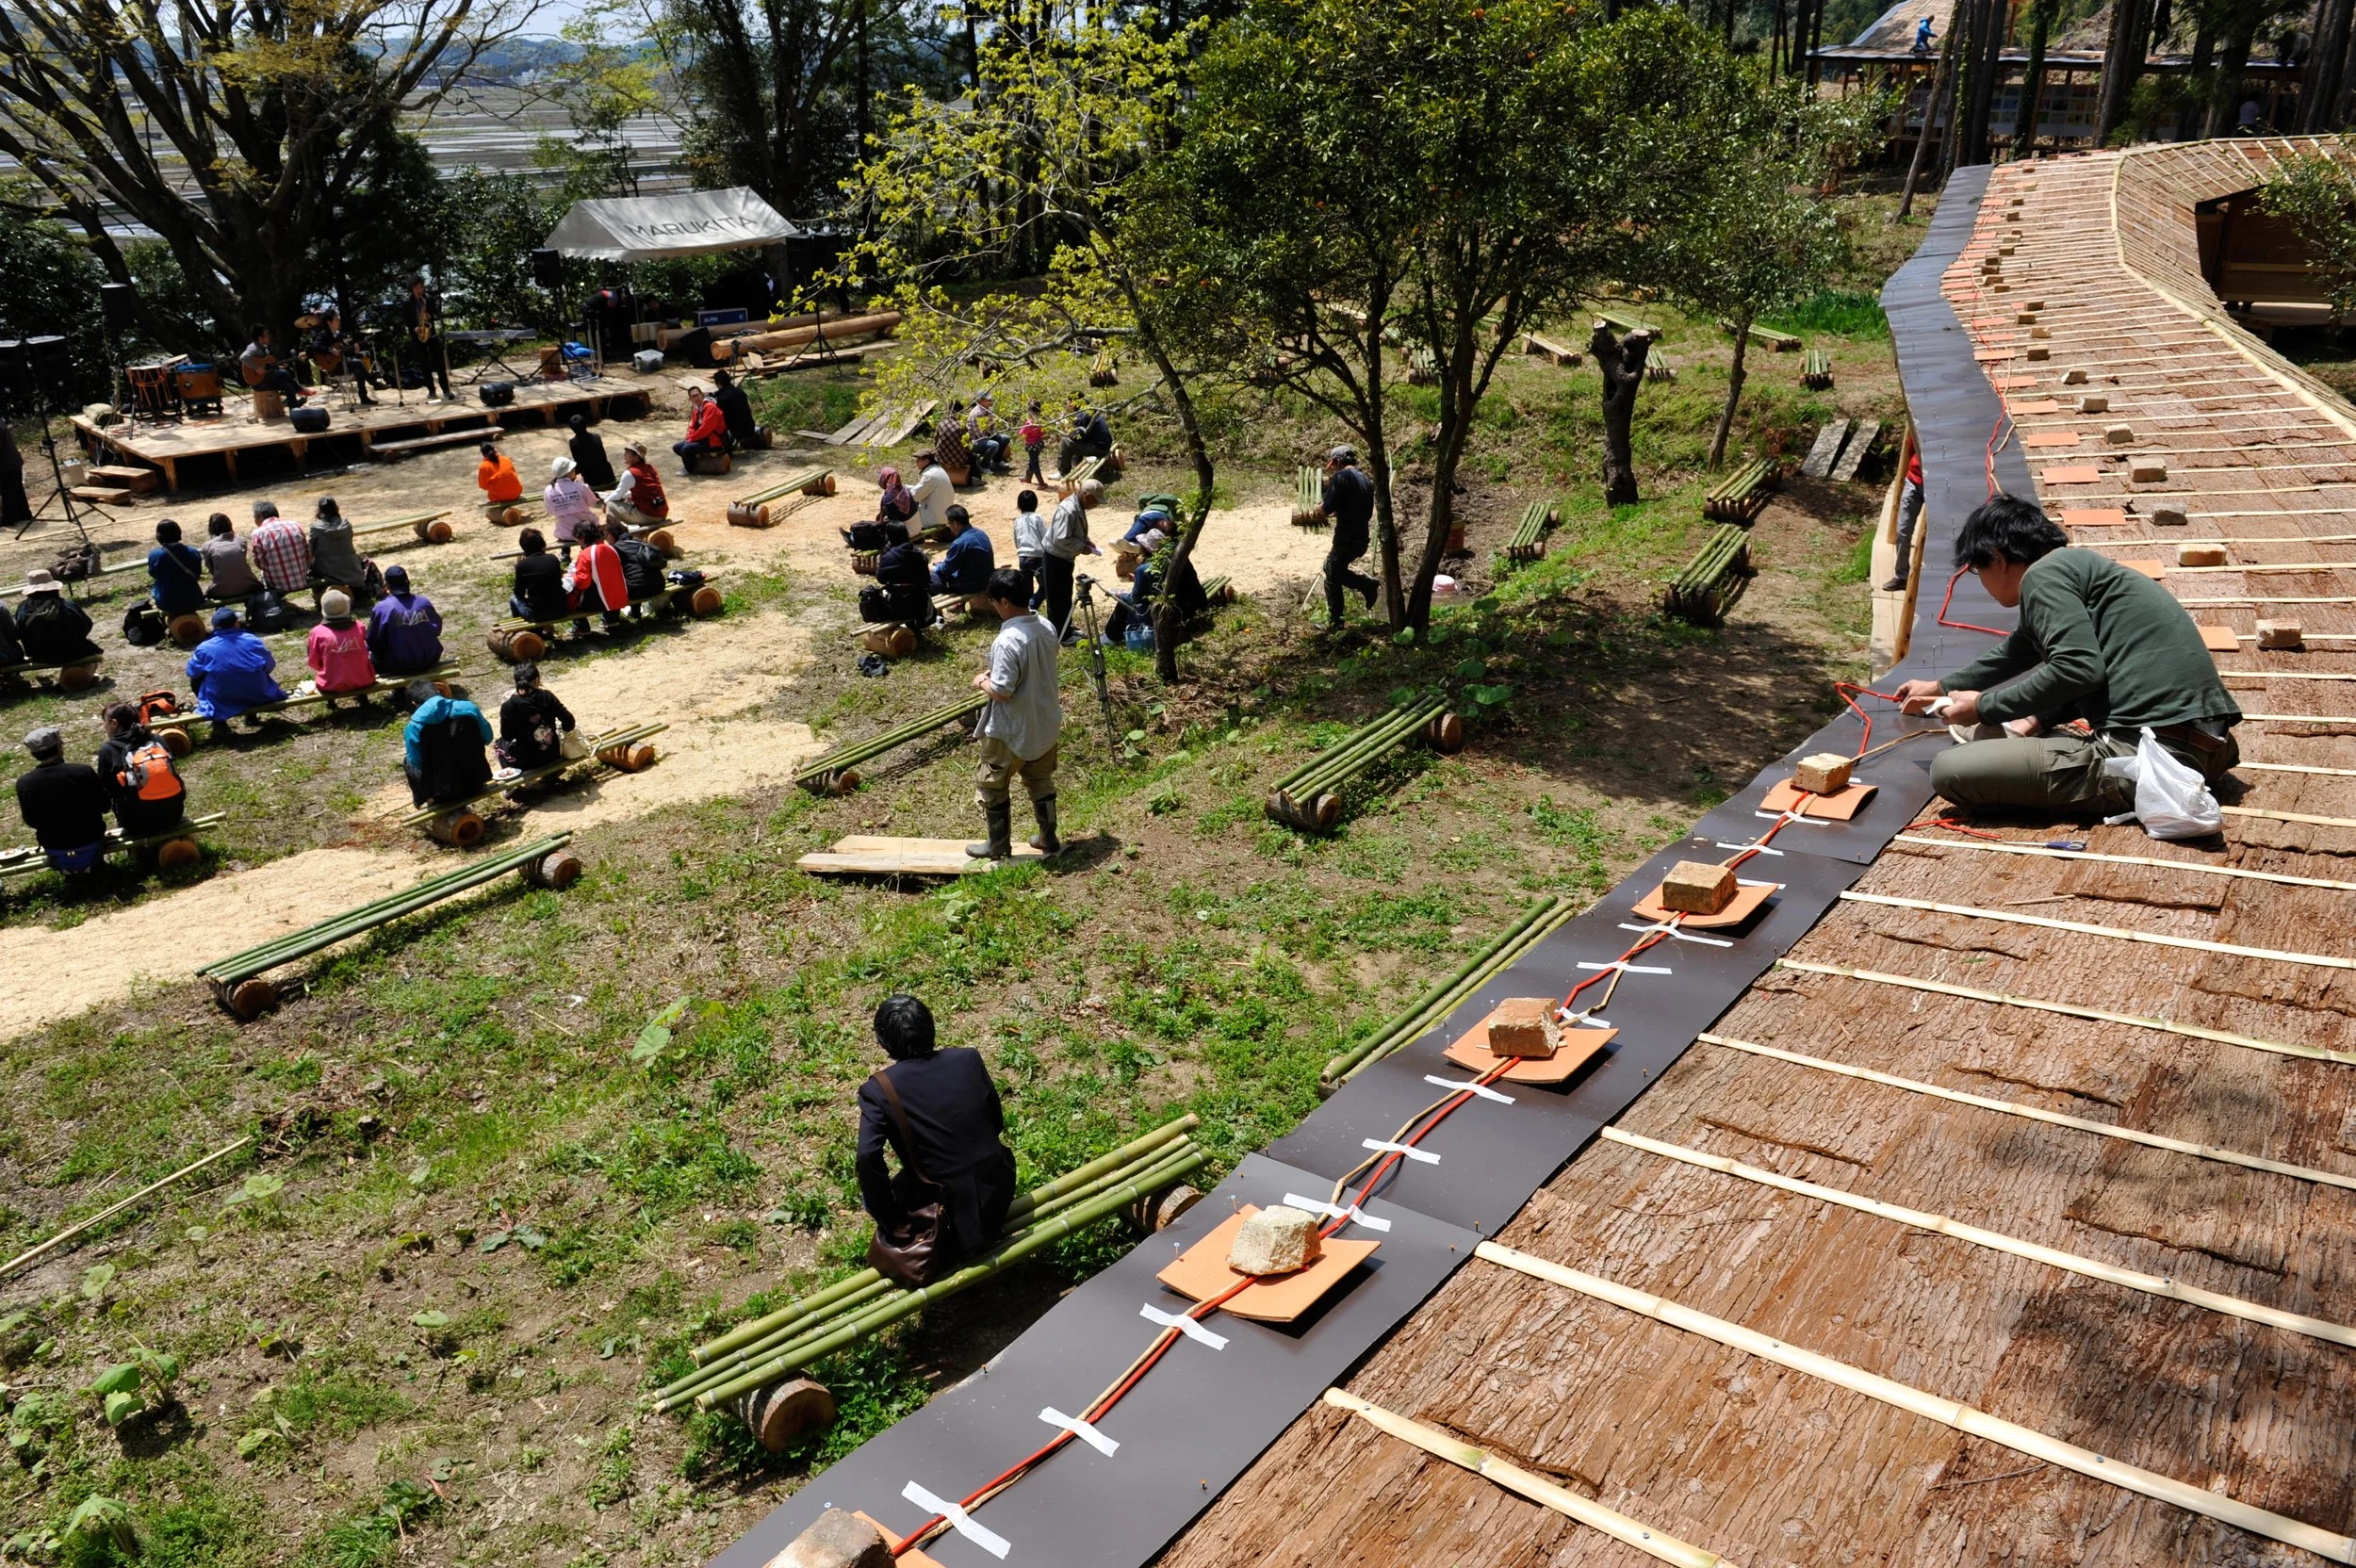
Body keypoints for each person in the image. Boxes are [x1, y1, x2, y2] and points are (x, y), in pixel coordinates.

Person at [1894, 494, 2243, 816]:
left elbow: (2078, 670)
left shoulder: (2042, 577)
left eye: (1978, 569)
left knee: (1951, 770)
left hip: (2156, 759)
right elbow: (2020, 650)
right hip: (2210, 746)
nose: (1981, 582)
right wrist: (1943, 686)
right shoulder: (2077, 568)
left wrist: (1984, 707)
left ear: (1998, 559)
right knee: (2012, 741)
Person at [855, 993, 1019, 1270]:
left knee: (876, 1194)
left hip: (947, 1213)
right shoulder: (968, 1059)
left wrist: (891, 1217)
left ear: (882, 1043)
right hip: (998, 1189)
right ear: (930, 1028)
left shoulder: (879, 1089)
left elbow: (867, 1156)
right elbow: (996, 1122)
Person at [968, 565, 1064, 858]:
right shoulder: (1046, 626)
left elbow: (1003, 691)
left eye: (995, 602)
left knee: (992, 783)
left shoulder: (1006, 641)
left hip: (1011, 728)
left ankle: (997, 845)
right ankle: (1048, 838)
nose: (995, 607)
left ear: (1005, 602)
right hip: (1044, 721)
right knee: (1040, 780)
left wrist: (983, 681)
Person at [14, 727, 108, 875]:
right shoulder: (83, 772)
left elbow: (30, 821)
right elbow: (105, 805)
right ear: (59, 747)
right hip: (91, 838)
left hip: (54, 844)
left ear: (33, 753)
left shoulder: (24, 783)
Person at [95, 703, 187, 841]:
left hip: (137, 823)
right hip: (174, 813)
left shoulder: (108, 750)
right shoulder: (156, 739)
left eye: (105, 723)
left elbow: (106, 793)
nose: (105, 728)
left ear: (114, 723)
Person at [1105, 530, 1208, 645]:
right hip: (1186, 610)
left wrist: (1120, 595)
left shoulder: (1143, 570)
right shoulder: (1179, 561)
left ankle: (1110, 637)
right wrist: (1137, 579)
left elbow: (1136, 600)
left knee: (1122, 601)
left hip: (1164, 616)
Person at [186, 606, 285, 724]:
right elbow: (270, 664)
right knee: (253, 673)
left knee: (197, 680)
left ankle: (219, 721)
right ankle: (251, 716)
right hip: (259, 694)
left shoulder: (204, 648)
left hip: (223, 698)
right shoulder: (252, 640)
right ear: (235, 623)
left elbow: (192, 672)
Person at [402, 678, 493, 807]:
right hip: (476, 782)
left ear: (414, 703)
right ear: (437, 691)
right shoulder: (469, 708)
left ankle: (423, 800)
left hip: (442, 794)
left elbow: (417, 762)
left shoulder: (413, 727)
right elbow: (488, 738)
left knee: (408, 761)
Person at [1319, 446, 1380, 629]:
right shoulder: (1366, 480)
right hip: (1361, 537)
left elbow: (1327, 508)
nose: (1334, 469)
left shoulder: (1340, 478)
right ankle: (1365, 586)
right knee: (1332, 569)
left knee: (1331, 572)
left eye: (1334, 465)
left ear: (1337, 461)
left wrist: (1319, 509)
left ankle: (1336, 623)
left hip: (1346, 537)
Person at [1040, 478, 1104, 641]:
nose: (1096, 505)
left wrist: (1086, 540)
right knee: (1057, 598)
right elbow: (1062, 539)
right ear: (1087, 496)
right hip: (1055, 558)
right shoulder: (1068, 510)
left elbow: (1076, 529)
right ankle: (1061, 635)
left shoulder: (1078, 506)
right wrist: (1082, 548)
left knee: (1065, 594)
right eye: (1095, 502)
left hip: (1065, 558)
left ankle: (1066, 627)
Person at [496, 661, 576, 773]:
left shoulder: (508, 706)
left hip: (527, 762)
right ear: (537, 680)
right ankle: (554, 772)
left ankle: (511, 783)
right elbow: (569, 721)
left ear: (516, 682)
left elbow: (507, 736)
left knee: (498, 745)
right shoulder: (547, 696)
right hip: (553, 754)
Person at [368, 564, 445, 676]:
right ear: (408, 582)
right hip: (430, 659)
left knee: (370, 656)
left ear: (387, 586)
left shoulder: (382, 608)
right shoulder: (423, 602)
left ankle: (400, 689)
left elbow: (373, 642)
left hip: (400, 665)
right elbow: (437, 629)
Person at [15, 570, 101, 665]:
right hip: (75, 652)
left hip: (40, 656)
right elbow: (87, 624)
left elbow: (20, 632)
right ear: (54, 588)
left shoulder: (22, 609)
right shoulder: (67, 606)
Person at [305, 589, 377, 696]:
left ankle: (331, 703)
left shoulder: (317, 632)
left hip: (330, 685)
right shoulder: (359, 627)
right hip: (363, 679)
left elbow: (313, 662)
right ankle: (363, 697)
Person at [246, 501, 313, 608]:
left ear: (260, 516)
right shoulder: (295, 525)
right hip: (302, 578)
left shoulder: (258, 533)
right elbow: (307, 553)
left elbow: (260, 564)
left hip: (277, 583)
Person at [308, 497, 370, 601]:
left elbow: (310, 551)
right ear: (336, 508)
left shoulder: (316, 528)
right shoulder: (346, 524)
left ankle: (319, 595)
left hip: (327, 569)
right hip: (351, 567)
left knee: (313, 569)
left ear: (320, 510)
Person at [403, 277, 454, 402]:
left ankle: (446, 390)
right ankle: (431, 391)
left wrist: (430, 316)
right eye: (417, 288)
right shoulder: (407, 303)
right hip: (418, 337)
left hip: (431, 335)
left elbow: (436, 314)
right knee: (424, 365)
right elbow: (406, 320)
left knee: (440, 364)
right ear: (412, 289)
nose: (420, 290)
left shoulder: (428, 300)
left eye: (421, 287)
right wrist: (415, 328)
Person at [1884, 445, 1926, 591]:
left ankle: (1929, 577)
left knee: (1935, 532)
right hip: (1914, 479)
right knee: (1903, 530)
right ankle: (1901, 576)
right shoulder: (1919, 425)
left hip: (1936, 483)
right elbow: (1911, 447)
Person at [570, 523, 629, 628]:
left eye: (577, 539)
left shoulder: (586, 554)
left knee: (570, 594)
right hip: (620, 598)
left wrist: (573, 576)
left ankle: (581, 627)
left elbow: (582, 583)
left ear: (582, 538)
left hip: (597, 603)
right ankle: (611, 619)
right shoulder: (612, 549)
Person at [146, 519, 206, 620]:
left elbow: (153, 574)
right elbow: (197, 573)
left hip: (167, 601)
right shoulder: (193, 552)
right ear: (179, 533)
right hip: (194, 598)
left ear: (159, 536)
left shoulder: (155, 555)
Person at [875, 532, 937, 629]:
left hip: (897, 608)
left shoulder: (888, 556)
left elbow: (881, 579)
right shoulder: (918, 553)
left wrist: (883, 555)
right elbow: (926, 578)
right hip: (920, 604)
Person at [930, 505, 995, 596]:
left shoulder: (959, 543)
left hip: (970, 586)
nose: (949, 527)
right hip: (986, 580)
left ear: (956, 524)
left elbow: (946, 570)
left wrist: (932, 568)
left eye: (949, 524)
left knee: (930, 577)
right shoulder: (981, 533)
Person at [201, 514, 262, 608]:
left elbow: (212, 569)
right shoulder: (241, 541)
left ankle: (222, 616)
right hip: (248, 586)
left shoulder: (207, 546)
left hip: (220, 590)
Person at [510, 529, 572, 621]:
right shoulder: (553, 559)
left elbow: (519, 593)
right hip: (561, 610)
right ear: (542, 544)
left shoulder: (522, 565)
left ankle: (529, 632)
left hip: (537, 614)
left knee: (513, 599)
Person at [605, 440, 669, 530]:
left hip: (649, 516)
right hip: (662, 513)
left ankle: (616, 533)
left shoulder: (630, 473)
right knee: (628, 499)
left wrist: (605, 501)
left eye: (627, 453)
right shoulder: (650, 468)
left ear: (636, 456)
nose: (624, 455)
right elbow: (644, 490)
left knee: (610, 505)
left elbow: (617, 494)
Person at [238, 325, 306, 407]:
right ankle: (300, 390)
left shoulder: (265, 349)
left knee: (287, 386)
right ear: (260, 338)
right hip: (258, 383)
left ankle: (294, 407)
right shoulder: (254, 347)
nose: (269, 337)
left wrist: (279, 367)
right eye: (266, 335)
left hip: (266, 380)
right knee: (283, 373)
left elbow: (268, 367)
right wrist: (256, 368)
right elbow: (243, 357)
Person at [543, 457, 602, 546]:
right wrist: (582, 485)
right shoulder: (579, 487)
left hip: (565, 532)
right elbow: (593, 502)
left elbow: (550, 510)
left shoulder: (548, 490)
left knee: (562, 523)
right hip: (587, 529)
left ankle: (565, 554)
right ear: (569, 472)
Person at [675, 385, 728, 473]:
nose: (696, 398)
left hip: (714, 440)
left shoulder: (710, 407)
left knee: (685, 449)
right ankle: (695, 464)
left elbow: (706, 428)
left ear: (702, 395)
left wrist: (692, 439)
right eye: (693, 396)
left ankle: (690, 470)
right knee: (677, 447)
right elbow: (692, 426)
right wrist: (689, 437)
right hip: (701, 439)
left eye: (697, 395)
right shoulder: (697, 409)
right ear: (690, 399)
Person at [612, 521, 667, 606]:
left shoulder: (616, 548)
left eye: (607, 535)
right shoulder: (640, 542)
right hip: (659, 586)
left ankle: (610, 619)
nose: (606, 538)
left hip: (636, 591)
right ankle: (636, 614)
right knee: (634, 577)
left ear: (613, 535)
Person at [1011, 488, 1047, 608]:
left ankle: (1026, 610)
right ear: (1035, 504)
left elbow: (1016, 540)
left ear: (1019, 505)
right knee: (1045, 587)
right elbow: (1045, 537)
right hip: (1036, 557)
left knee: (1027, 590)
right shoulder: (1037, 518)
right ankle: (1032, 606)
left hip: (1022, 557)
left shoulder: (1017, 521)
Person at [1056, 401, 1112, 478]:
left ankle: (1063, 473)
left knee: (1065, 441)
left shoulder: (1082, 415)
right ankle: (1075, 468)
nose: (1068, 404)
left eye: (1069, 402)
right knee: (1075, 442)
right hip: (1104, 446)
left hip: (1098, 449)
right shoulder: (1090, 411)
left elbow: (1077, 436)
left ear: (1074, 402)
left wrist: (1064, 423)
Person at [568, 414, 617, 491]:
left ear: (572, 428)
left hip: (590, 482)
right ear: (585, 424)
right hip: (608, 478)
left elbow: (578, 462)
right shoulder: (597, 437)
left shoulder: (573, 443)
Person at [711, 368, 758, 449]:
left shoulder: (722, 399)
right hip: (750, 427)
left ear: (719, 384)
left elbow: (720, 418)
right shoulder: (740, 391)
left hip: (736, 432)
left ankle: (725, 448)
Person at [910, 449, 954, 535]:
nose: (917, 462)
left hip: (934, 519)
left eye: (919, 459)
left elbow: (915, 496)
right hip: (944, 515)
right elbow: (922, 489)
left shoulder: (930, 475)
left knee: (904, 502)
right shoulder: (938, 470)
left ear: (927, 461)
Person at [967, 392, 1009, 472]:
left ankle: (997, 462)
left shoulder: (988, 410)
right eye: (988, 400)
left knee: (1005, 438)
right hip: (976, 441)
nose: (990, 401)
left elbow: (992, 427)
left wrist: (994, 430)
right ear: (981, 400)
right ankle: (984, 466)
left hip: (987, 435)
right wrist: (992, 433)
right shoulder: (976, 413)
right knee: (994, 444)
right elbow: (980, 434)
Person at [0, 418, 30, 528]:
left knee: (8, 492)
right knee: (16, 490)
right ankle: (24, 514)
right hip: (12, 461)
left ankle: (9, 519)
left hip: (6, 464)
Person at [478, 443, 524, 512]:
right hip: (516, 493)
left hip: (499, 497)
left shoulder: (483, 466)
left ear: (482, 454)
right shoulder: (506, 459)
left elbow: (483, 486)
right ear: (494, 449)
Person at [875, 466, 918, 531]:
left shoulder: (888, 498)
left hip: (906, 534)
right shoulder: (905, 489)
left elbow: (894, 523)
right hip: (917, 527)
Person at [1019, 401, 1046, 485]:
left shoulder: (1029, 423)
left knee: (1034, 463)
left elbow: (1021, 433)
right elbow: (1043, 432)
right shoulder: (1041, 421)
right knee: (1032, 461)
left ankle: (1041, 483)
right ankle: (1028, 478)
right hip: (1039, 444)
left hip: (1031, 445)